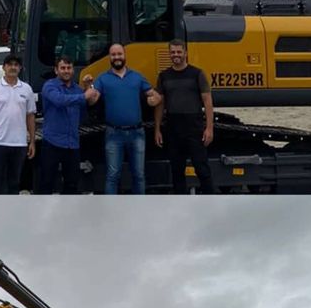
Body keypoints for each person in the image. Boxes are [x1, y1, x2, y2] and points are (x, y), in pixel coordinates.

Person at [85, 42, 161, 195]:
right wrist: (87, 87)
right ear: (110, 57)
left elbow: (155, 95)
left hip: (137, 133)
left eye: (119, 54)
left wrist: (155, 99)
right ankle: (111, 212)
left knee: (139, 175)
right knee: (112, 176)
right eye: (113, 55)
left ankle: (138, 209)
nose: (117, 57)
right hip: (114, 134)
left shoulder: (137, 77)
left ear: (125, 56)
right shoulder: (103, 79)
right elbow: (92, 100)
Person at [154, 38, 218, 195]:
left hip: (194, 127)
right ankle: (180, 205)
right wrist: (157, 129)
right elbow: (160, 104)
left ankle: (211, 200)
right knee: (176, 170)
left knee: (201, 168)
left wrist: (209, 128)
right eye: (173, 52)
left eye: (179, 52)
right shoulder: (164, 76)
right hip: (173, 128)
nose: (176, 55)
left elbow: (207, 101)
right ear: (169, 54)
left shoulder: (197, 74)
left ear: (185, 53)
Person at [36, 56, 97, 194]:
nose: (66, 71)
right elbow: (59, 100)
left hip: (72, 144)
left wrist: (89, 87)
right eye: (62, 68)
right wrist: (84, 96)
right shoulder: (49, 86)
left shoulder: (77, 89)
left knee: (72, 184)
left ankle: (67, 214)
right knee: (46, 183)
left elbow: (86, 109)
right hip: (53, 143)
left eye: (69, 68)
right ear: (56, 70)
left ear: (73, 70)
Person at [0, 53, 36, 194]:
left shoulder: (26, 89)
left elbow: (30, 116)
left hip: (19, 145)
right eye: (9, 64)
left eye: (16, 65)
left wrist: (32, 141)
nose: (13, 67)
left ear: (20, 68)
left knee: (14, 183)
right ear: (3, 67)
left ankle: (10, 213)